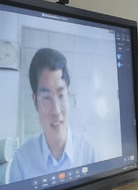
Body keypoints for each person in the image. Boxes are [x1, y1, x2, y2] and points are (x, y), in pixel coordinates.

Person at [7, 48, 95, 182]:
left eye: (61, 95)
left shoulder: (89, 154)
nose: (56, 111)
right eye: (47, 98)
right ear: (35, 102)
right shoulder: (21, 162)